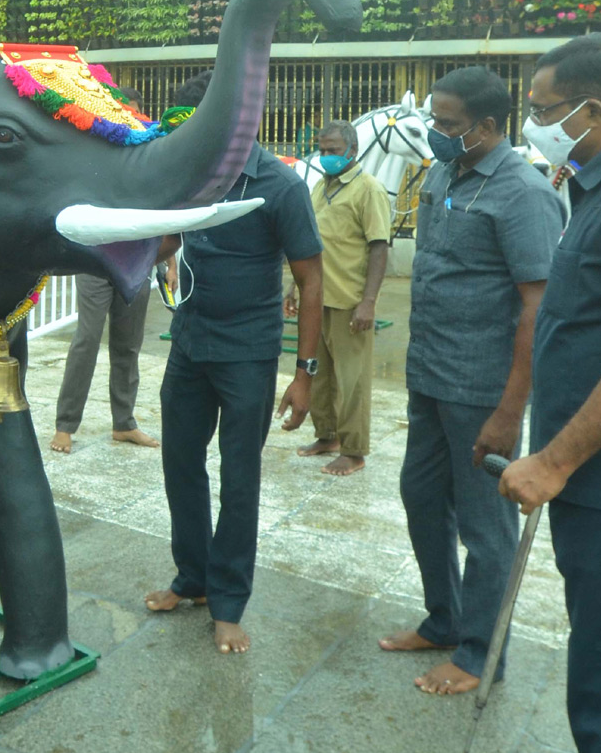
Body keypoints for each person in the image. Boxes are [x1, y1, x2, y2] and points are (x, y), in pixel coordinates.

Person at [379, 66, 565, 696]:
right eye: (434, 119)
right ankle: (445, 619)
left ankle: (481, 652)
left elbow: (537, 308)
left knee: (486, 529)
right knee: (421, 497)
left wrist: (511, 411)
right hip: (430, 373)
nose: (436, 133)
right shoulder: (443, 172)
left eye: (449, 125)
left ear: (488, 126)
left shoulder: (523, 194)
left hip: (482, 388)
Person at [145, 69, 324, 654]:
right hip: (190, 344)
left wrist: (305, 373)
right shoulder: (192, 174)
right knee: (180, 466)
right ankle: (192, 579)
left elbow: (310, 278)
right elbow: (169, 241)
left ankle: (228, 603)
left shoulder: (278, 184)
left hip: (247, 353)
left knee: (238, 478)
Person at [498, 33, 601, 753]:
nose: (533, 124)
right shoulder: (589, 185)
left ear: (593, 109)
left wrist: (556, 460)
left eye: (545, 110)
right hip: (590, 485)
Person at [50, 87, 159, 455]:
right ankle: (66, 425)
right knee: (87, 339)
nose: (126, 121)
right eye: (119, 114)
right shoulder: (93, 150)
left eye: (132, 115)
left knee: (128, 344)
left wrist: (169, 263)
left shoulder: (149, 153)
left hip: (138, 261)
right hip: (97, 259)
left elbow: (162, 208)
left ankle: (124, 423)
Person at [287, 120, 391, 476]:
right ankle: (327, 435)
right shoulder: (320, 188)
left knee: (352, 380)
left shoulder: (368, 190)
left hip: (350, 299)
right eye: (323, 150)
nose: (327, 156)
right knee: (320, 375)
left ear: (353, 150)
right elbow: (310, 244)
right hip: (319, 298)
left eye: (333, 150)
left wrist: (369, 302)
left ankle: (354, 449)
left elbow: (379, 247)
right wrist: (293, 288)